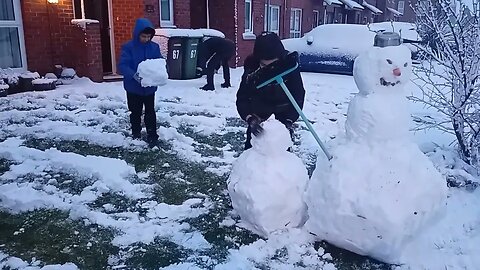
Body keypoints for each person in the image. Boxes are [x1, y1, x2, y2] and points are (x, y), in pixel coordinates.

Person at [236, 32, 306, 150]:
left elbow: (298, 95)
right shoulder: (252, 70)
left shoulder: (289, 66)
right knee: (253, 146)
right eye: (264, 64)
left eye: (273, 64)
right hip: (260, 107)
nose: (268, 69)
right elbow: (242, 97)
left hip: (284, 107)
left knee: (281, 145)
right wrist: (250, 118)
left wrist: (289, 120)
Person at [118, 18, 162, 146]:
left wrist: (163, 71)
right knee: (135, 112)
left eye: (149, 36)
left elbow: (159, 62)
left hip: (149, 87)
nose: (146, 39)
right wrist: (134, 75)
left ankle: (152, 134)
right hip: (133, 88)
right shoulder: (128, 47)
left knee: (150, 111)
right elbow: (123, 65)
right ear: (137, 34)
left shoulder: (154, 47)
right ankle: (136, 132)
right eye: (143, 36)